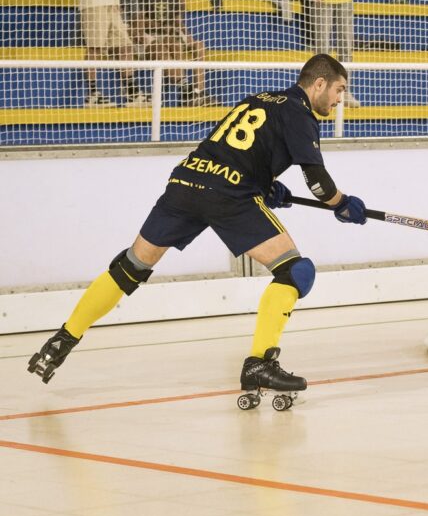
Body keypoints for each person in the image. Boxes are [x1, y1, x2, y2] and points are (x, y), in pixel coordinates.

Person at [28, 54, 368, 397]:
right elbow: (319, 184)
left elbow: (232, 150)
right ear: (319, 83)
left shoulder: (259, 99)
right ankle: (259, 363)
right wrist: (342, 204)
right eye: (339, 89)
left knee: (130, 266)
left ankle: (61, 341)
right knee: (295, 272)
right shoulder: (300, 112)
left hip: (185, 184)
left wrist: (266, 186)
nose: (340, 99)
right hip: (228, 193)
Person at [141, 0, 216, 106]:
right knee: (172, 43)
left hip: (172, 33)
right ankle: (186, 91)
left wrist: (187, 37)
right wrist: (162, 26)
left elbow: (178, 22)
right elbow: (139, 22)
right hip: (152, 36)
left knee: (198, 45)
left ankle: (198, 92)